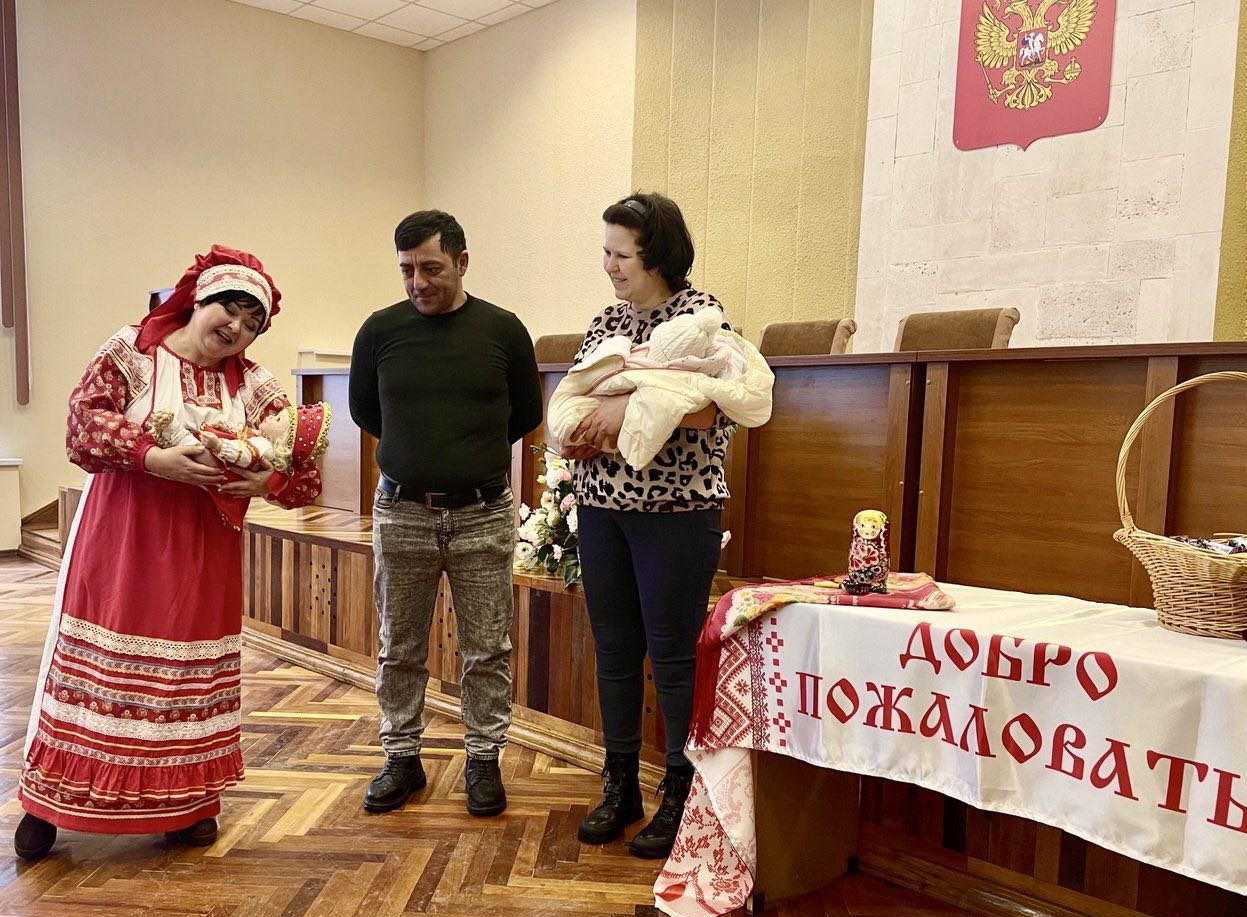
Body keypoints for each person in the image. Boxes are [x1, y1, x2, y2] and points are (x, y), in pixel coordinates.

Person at [15, 246, 321, 861]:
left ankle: (186, 805)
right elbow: (81, 424)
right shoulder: (132, 349)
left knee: (184, 673)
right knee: (97, 664)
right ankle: (52, 805)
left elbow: (304, 465)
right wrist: (154, 457)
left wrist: (266, 481)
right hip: (123, 536)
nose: (235, 327)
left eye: (252, 322)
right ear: (197, 301)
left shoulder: (254, 384)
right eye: (228, 310)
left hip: (203, 550)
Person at [561, 192, 759, 860]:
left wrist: (618, 414)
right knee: (613, 649)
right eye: (607, 251)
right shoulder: (606, 322)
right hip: (601, 506)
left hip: (677, 512)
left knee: (672, 656)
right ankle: (620, 785)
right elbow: (574, 404)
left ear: (658, 255)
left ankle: (681, 789)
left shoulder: (703, 318)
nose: (610, 264)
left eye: (622, 253)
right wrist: (614, 416)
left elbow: (708, 412)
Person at [350, 210, 542, 818]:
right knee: (398, 644)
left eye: (430, 268)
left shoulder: (503, 330)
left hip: (482, 515)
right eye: (406, 270)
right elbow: (366, 412)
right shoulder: (379, 332)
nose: (418, 283)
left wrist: (464, 458)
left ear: (462, 261)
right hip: (401, 510)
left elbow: (524, 415)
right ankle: (401, 757)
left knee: (487, 647)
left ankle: (484, 760)